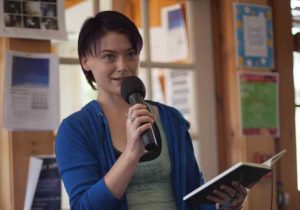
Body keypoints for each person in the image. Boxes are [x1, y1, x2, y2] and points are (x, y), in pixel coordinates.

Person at [55, 10, 248, 210]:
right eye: (109, 57)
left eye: (130, 54)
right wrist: (131, 155)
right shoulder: (74, 130)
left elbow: (194, 198)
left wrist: (225, 206)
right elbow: (83, 207)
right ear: (85, 60)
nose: (123, 66)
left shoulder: (171, 119)